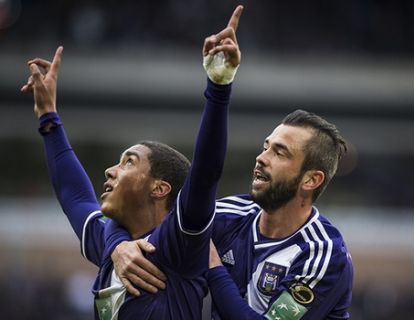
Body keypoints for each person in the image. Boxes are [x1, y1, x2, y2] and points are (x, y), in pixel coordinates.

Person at [20, 5, 243, 319]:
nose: (110, 170)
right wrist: (48, 117)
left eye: (128, 162)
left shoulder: (179, 243)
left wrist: (219, 88)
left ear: (159, 188)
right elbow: (75, 195)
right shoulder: (111, 246)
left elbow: (205, 173)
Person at [110, 111, 354, 318]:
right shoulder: (229, 215)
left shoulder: (323, 255)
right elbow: (143, 217)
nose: (261, 158)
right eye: (265, 147)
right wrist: (119, 246)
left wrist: (215, 268)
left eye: (279, 153)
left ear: (311, 179)